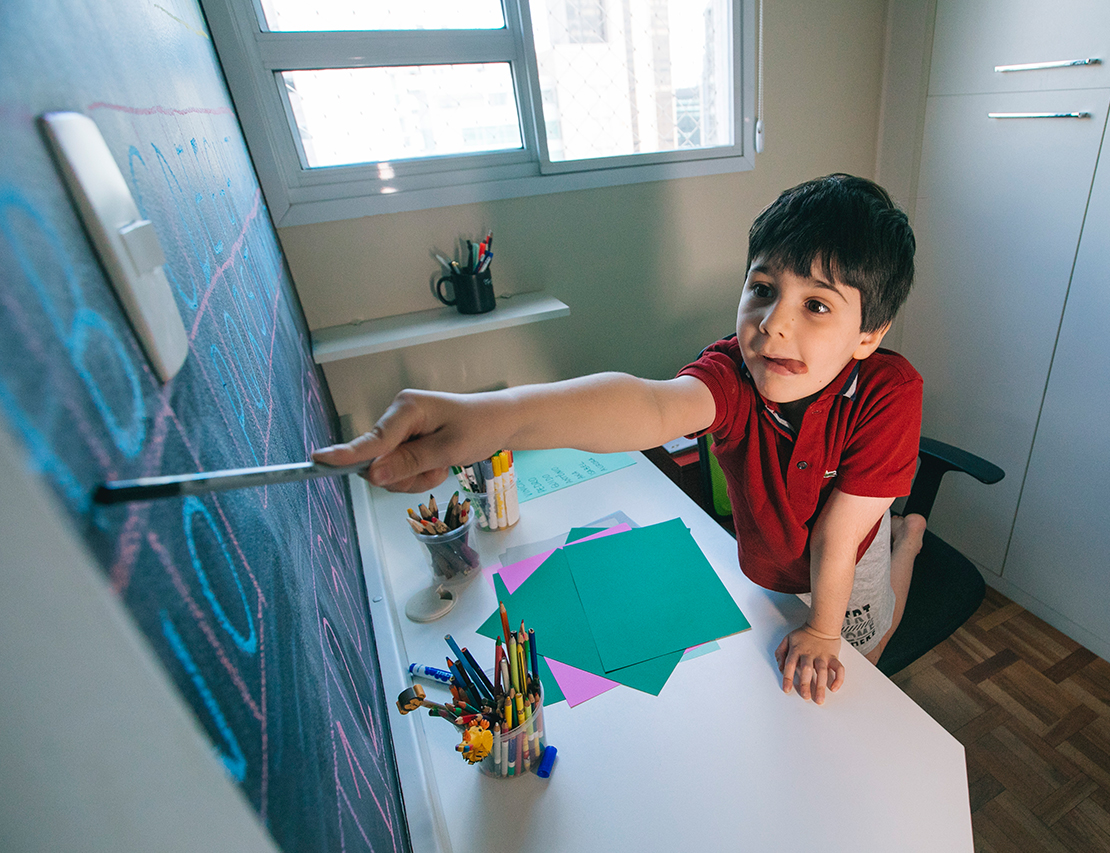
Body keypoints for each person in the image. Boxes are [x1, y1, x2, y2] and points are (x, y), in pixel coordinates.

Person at [314, 174, 926, 706]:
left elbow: (837, 536)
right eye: (763, 289)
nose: (772, 324)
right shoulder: (736, 376)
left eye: (816, 305)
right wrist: (492, 416)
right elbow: (651, 404)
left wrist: (823, 632)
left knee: (865, 658)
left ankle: (908, 541)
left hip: (847, 557)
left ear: (869, 333)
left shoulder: (888, 393)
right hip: (772, 563)